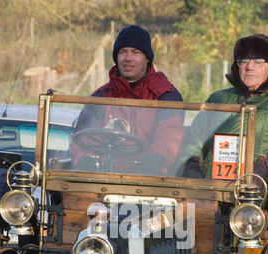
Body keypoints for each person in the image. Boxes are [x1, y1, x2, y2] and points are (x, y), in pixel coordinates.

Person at [178, 34, 268, 189]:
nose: (249, 67)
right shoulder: (218, 98)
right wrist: (193, 163)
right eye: (243, 61)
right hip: (208, 190)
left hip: (253, 194)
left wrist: (266, 166)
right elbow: (195, 139)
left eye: (258, 62)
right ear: (236, 66)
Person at [73, 25, 185, 174]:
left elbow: (170, 134)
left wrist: (158, 157)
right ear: (116, 57)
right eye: (122, 52)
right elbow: (84, 138)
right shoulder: (101, 97)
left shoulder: (166, 96)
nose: (128, 58)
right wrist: (85, 159)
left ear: (147, 59)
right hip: (105, 180)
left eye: (135, 52)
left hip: (150, 181)